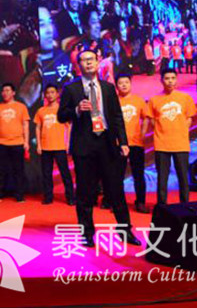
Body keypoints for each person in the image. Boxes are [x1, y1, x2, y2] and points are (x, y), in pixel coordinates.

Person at [57, 49, 140, 248]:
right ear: (78, 65)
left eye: (91, 59)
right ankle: (87, 232)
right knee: (85, 192)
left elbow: (117, 116)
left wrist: (123, 142)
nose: (88, 63)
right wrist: (76, 110)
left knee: (116, 189)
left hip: (107, 144)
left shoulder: (108, 88)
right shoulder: (71, 88)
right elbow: (61, 116)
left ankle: (125, 230)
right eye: (84, 60)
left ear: (98, 62)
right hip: (84, 146)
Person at [143, 68, 195, 206]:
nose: (170, 81)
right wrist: (161, 129)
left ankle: (185, 206)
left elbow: (189, 118)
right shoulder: (154, 100)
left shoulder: (185, 98)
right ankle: (162, 207)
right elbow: (152, 119)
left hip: (181, 144)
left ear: (176, 80)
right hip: (162, 144)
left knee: (183, 177)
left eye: (173, 78)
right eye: (167, 78)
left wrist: (181, 130)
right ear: (161, 80)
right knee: (162, 178)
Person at [34, 84, 74, 206]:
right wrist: (39, 145)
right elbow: (38, 128)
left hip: (60, 146)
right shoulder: (41, 111)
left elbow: (69, 127)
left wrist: (68, 143)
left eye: (52, 92)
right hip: (45, 146)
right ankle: (48, 197)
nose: (50, 95)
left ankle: (70, 197)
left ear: (57, 94)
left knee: (65, 173)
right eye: (48, 93)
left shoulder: (63, 110)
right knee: (46, 173)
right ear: (45, 95)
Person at [115, 74, 150, 214]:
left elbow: (146, 118)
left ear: (130, 84)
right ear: (116, 86)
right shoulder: (113, 102)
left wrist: (142, 134)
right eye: (120, 83)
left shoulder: (138, 100)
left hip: (136, 143)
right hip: (118, 144)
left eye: (126, 82)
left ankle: (140, 202)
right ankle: (118, 203)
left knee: (138, 174)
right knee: (118, 175)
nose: (124, 85)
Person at [0, 83, 30, 202]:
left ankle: (19, 195)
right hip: (1, 143)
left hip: (17, 142)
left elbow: (25, 125)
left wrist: (26, 142)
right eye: (3, 91)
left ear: (13, 93)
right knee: (0, 171)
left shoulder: (21, 107)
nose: (5, 93)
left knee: (18, 170)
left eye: (8, 90)